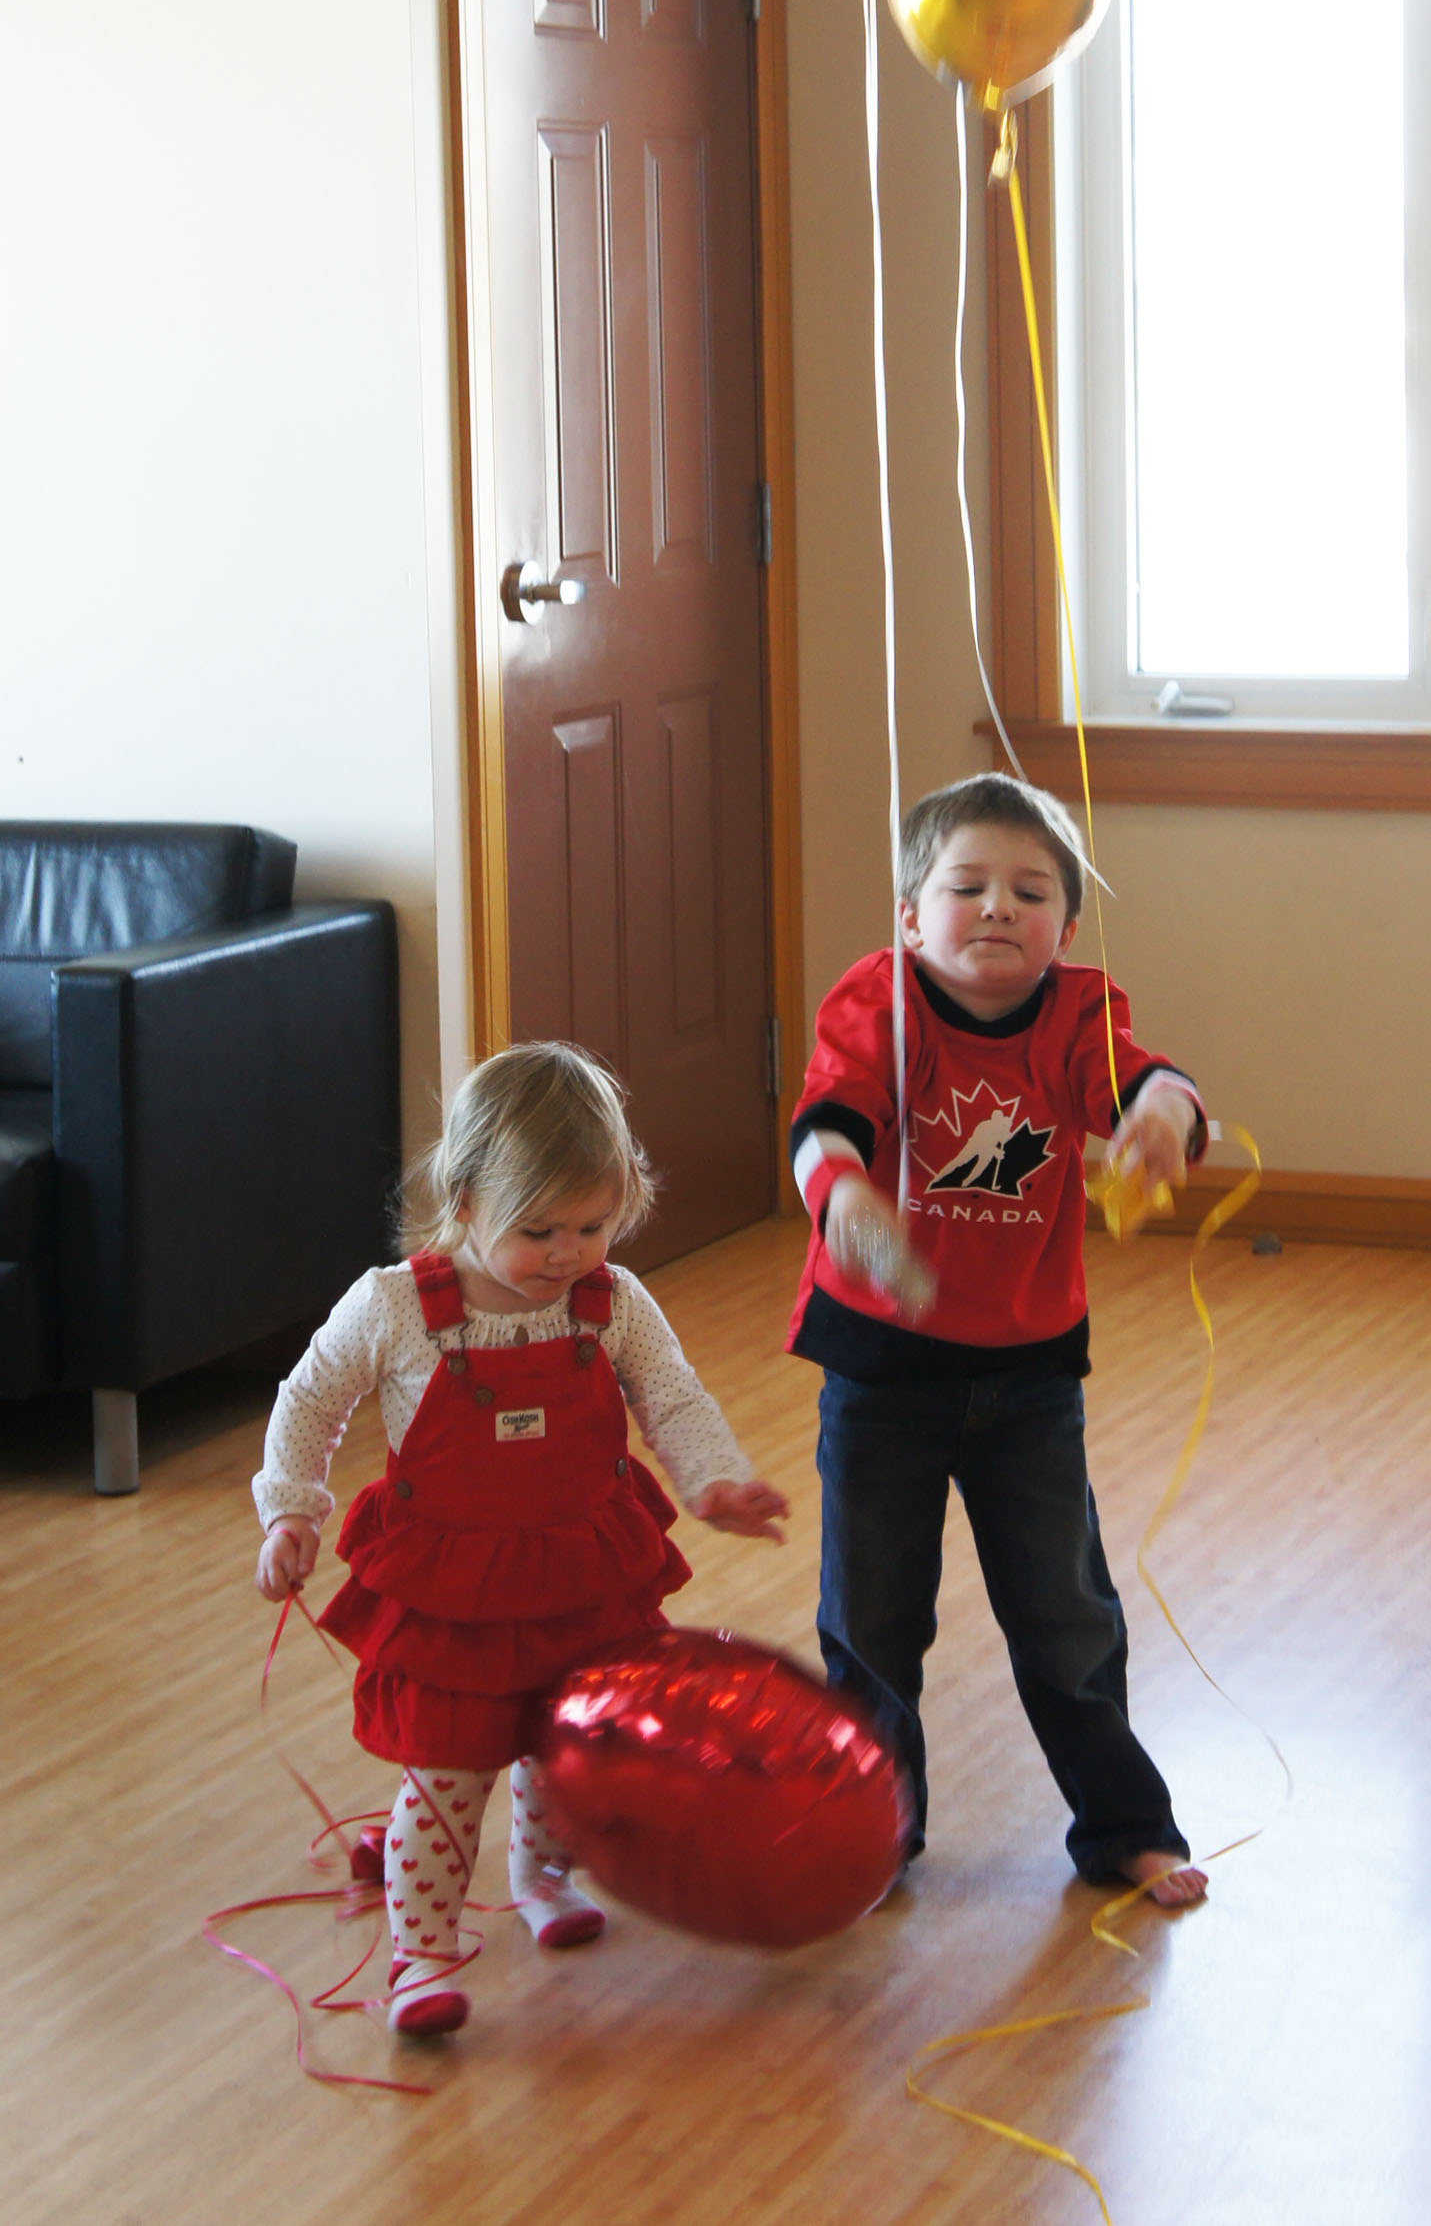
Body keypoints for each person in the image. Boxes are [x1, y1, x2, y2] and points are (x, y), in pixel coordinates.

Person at [254, 1044, 789, 2037]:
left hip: (581, 1574)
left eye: (593, 1226)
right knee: (446, 1776)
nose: (567, 1253)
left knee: (564, 1744)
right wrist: (290, 1509)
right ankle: (421, 1951)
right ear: (463, 1202)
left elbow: (671, 1396)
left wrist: (713, 1477)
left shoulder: (613, 1303)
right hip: (452, 1590)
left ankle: (541, 1874)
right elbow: (309, 1400)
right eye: (537, 1230)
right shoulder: (395, 1307)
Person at [791, 770, 1209, 1909]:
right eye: (965, 885)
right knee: (872, 1620)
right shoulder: (877, 1001)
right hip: (881, 1372)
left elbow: (1145, 1079)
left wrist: (1160, 1114)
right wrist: (843, 1195)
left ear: (1062, 931)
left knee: (1065, 1616)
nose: (995, 907)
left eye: (1029, 892)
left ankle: (1125, 1826)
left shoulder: (1076, 1011)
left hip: (1027, 1379)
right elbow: (823, 1121)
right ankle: (875, 1827)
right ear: (908, 916)